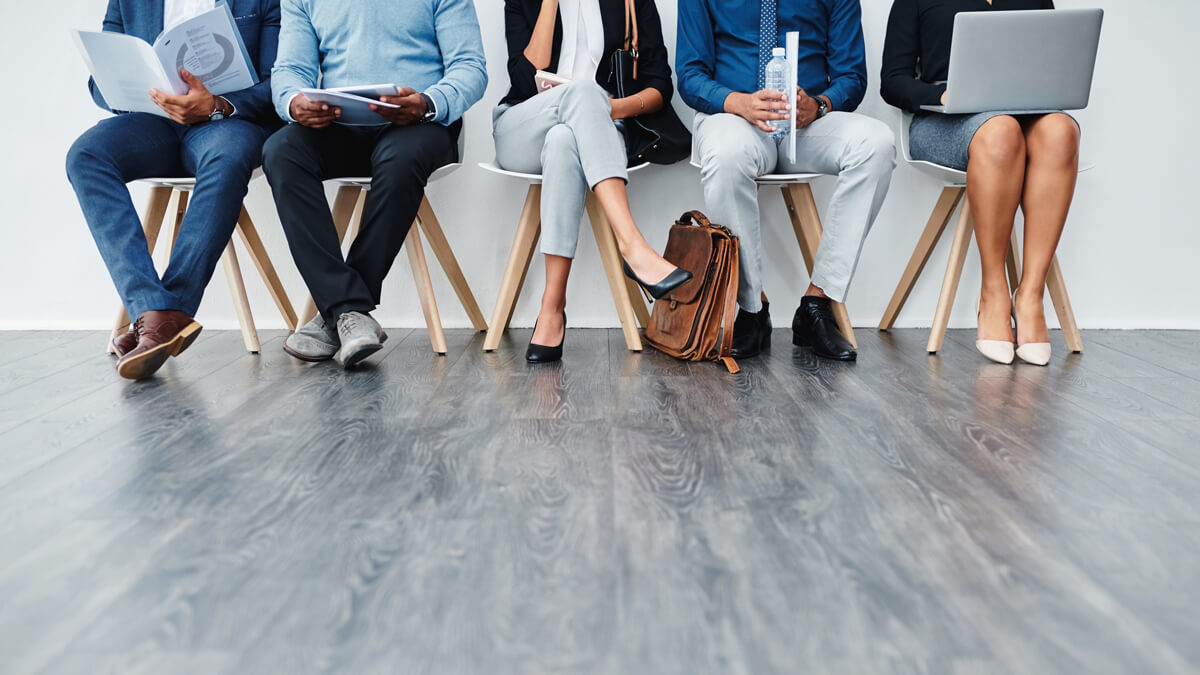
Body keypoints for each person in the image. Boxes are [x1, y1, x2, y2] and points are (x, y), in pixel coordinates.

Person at [263, 0, 487, 368]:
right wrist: (293, 102)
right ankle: (350, 311)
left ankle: (339, 311)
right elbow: (291, 69)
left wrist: (428, 102)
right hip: (339, 126)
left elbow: (470, 67)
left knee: (399, 159)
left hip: (419, 123)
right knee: (280, 151)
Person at [66, 0, 282, 380]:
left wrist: (215, 104)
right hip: (154, 121)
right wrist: (137, 91)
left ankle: (164, 318)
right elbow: (99, 83)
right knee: (86, 155)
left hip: (226, 120)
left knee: (227, 158)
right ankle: (154, 310)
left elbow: (278, 82)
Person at [676, 0, 896, 362]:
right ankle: (750, 308)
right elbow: (690, 74)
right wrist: (738, 102)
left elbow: (852, 77)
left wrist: (820, 105)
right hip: (734, 116)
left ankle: (818, 301)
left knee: (876, 144)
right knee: (727, 155)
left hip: (806, 124)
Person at [881, 0, 1078, 366]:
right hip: (944, 121)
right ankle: (993, 292)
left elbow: (1051, 67)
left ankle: (1030, 295)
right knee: (1000, 131)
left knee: (1061, 130)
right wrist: (941, 96)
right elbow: (892, 81)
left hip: (1024, 114)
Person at [497, 0, 692, 364]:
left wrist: (609, 109)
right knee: (583, 95)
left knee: (563, 141)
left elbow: (659, 85)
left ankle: (552, 308)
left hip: (596, 132)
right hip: (522, 127)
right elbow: (524, 81)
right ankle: (633, 246)